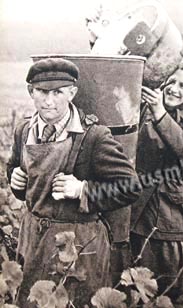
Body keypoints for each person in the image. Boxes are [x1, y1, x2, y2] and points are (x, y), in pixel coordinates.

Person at [7, 58, 141, 307]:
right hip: (33, 237)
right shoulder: (23, 130)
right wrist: (15, 179)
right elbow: (15, 171)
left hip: (77, 245)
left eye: (58, 92)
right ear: (30, 92)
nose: (49, 101)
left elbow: (131, 187)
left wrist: (83, 189)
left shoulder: (94, 137)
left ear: (72, 92)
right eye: (42, 92)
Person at [130, 60, 183, 305]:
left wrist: (160, 113)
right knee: (135, 279)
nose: (174, 89)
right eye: (171, 81)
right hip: (136, 208)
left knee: (168, 286)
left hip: (168, 217)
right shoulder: (145, 111)